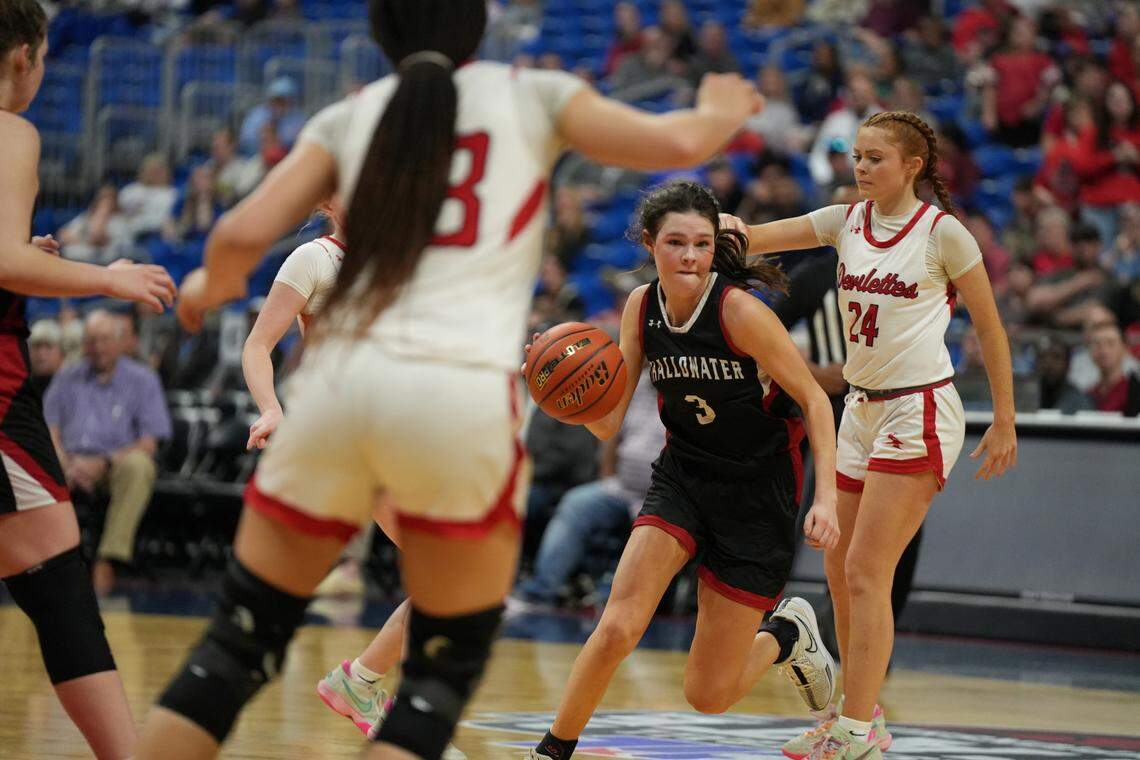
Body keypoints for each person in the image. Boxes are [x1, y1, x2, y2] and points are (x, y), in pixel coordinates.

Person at [134, 1, 763, 758]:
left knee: (231, 655)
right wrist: (720, 109)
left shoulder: (350, 114)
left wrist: (204, 291)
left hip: (338, 398)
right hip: (455, 406)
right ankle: (383, 690)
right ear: (477, 30)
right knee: (437, 682)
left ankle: (346, 680)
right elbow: (679, 142)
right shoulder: (531, 93)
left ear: (382, 35)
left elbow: (235, 237)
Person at [723, 110, 1017, 759]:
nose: (860, 167)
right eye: (856, 155)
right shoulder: (843, 221)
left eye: (875, 157)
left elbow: (992, 329)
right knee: (837, 570)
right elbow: (755, 238)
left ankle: (856, 732)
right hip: (859, 409)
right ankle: (853, 717)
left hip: (918, 410)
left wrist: (1004, 418)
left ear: (912, 166)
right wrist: (703, 231)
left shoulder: (944, 235)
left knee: (864, 569)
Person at [527, 181, 841, 760]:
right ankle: (553, 750)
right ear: (650, 244)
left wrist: (826, 501)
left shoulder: (740, 312)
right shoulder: (640, 307)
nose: (691, 256)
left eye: (701, 243)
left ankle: (787, 634)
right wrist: (564, 394)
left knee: (708, 696)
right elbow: (609, 420)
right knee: (619, 622)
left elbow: (816, 401)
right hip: (684, 476)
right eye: (676, 242)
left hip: (758, 492)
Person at [0, 2, 176, 757]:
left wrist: (27, 264)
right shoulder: (11, 129)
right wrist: (106, 275)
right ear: (25, 59)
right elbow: (2, 259)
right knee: (58, 584)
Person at [239, 199, 459, 753]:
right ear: (331, 200)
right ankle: (377, 696)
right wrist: (270, 407)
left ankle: (358, 684)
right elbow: (258, 346)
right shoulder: (312, 259)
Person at [44, 309, 172, 596]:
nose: (98, 348)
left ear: (119, 342)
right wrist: (66, 463)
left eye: (104, 340)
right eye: (91, 341)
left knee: (141, 466)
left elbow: (150, 441)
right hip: (68, 463)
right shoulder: (67, 376)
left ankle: (108, 558)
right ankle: (39, 558)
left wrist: (103, 462)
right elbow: (49, 427)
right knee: (33, 461)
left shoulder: (143, 379)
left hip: (114, 464)